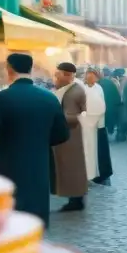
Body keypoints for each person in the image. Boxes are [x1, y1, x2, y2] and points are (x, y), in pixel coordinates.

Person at [0, 53, 69, 226]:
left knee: (10, 223)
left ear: (9, 69)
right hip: (39, 168)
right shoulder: (49, 98)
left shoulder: (1, 98)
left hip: (8, 168)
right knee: (36, 222)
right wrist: (39, 141)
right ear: (30, 69)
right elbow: (63, 134)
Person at [51, 63, 88, 212]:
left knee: (72, 168)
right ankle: (75, 198)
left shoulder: (73, 92)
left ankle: (76, 200)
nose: (55, 78)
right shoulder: (69, 89)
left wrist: (53, 117)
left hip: (71, 136)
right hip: (68, 135)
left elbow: (73, 117)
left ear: (67, 75)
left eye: (58, 74)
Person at [84, 69, 113, 185]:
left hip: (99, 124)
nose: (91, 79)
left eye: (93, 77)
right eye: (88, 76)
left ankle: (102, 174)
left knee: (100, 150)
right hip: (86, 123)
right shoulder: (82, 88)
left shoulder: (99, 88)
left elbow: (102, 104)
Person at [102, 68, 123, 139]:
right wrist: (119, 103)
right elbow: (116, 95)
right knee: (110, 119)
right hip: (110, 106)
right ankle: (110, 132)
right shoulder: (112, 83)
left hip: (101, 106)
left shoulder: (98, 83)